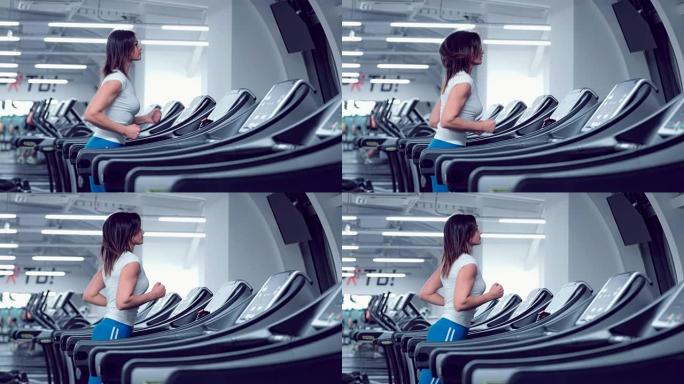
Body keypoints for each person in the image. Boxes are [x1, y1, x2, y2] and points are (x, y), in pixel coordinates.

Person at [417, 214, 503, 384]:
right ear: (467, 233)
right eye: (477, 228)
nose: (480, 232)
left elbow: (426, 292)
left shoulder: (450, 261)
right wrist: (491, 295)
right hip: (451, 329)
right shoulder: (468, 263)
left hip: (448, 327)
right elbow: (460, 303)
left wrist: (449, 303)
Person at [82, 212, 166, 384]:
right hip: (116, 329)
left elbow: (89, 294)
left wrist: (112, 305)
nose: (143, 232)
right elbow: (123, 302)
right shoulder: (131, 262)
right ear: (129, 232)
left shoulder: (112, 261)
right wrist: (154, 295)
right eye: (139, 228)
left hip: (108, 327)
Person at [83, 30, 162, 192]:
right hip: (104, 148)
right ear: (125, 48)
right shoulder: (116, 80)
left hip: (109, 147)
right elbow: (91, 114)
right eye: (136, 44)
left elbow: (118, 117)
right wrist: (125, 130)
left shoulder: (122, 78)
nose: (140, 47)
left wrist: (146, 118)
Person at [427, 31, 496, 192]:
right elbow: (447, 120)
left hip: (440, 147)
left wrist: (470, 125)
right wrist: (482, 127)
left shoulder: (452, 79)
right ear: (467, 51)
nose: (482, 51)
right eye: (478, 47)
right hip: (448, 150)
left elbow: (434, 121)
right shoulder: (464, 82)